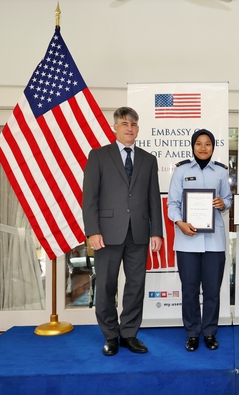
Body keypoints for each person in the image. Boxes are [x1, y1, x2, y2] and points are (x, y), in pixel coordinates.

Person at [82, 106, 163, 356]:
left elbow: (153, 199)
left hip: (138, 233)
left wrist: (156, 232)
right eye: (125, 124)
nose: (130, 128)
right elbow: (90, 198)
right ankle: (110, 335)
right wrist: (93, 231)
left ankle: (129, 333)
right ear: (114, 127)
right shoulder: (98, 156)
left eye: (134, 124)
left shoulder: (148, 159)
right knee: (106, 285)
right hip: (106, 233)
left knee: (135, 285)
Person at [167, 129, 233, 352]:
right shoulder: (181, 171)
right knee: (190, 290)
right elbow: (172, 204)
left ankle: (210, 332)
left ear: (213, 147)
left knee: (213, 290)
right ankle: (193, 332)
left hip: (214, 242)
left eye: (208, 144)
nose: (203, 148)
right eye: (199, 144)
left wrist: (224, 204)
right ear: (193, 146)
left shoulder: (221, 172)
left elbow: (228, 198)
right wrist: (179, 223)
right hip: (187, 241)